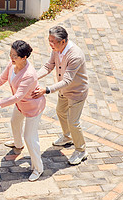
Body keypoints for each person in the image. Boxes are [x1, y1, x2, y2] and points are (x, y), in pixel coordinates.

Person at [0, 40, 46, 181]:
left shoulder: (29, 74)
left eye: (15, 56)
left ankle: (38, 168)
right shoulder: (12, 65)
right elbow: (2, 78)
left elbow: (17, 96)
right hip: (20, 105)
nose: (11, 57)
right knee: (14, 123)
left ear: (24, 57)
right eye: (10, 54)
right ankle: (18, 145)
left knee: (30, 138)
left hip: (32, 108)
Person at [32, 25, 89, 165]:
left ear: (63, 41)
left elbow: (67, 80)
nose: (50, 44)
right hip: (64, 91)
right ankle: (67, 137)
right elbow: (48, 66)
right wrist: (33, 77)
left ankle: (81, 151)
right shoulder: (57, 49)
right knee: (60, 111)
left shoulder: (75, 55)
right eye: (49, 40)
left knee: (73, 122)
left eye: (53, 41)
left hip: (76, 92)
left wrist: (46, 89)